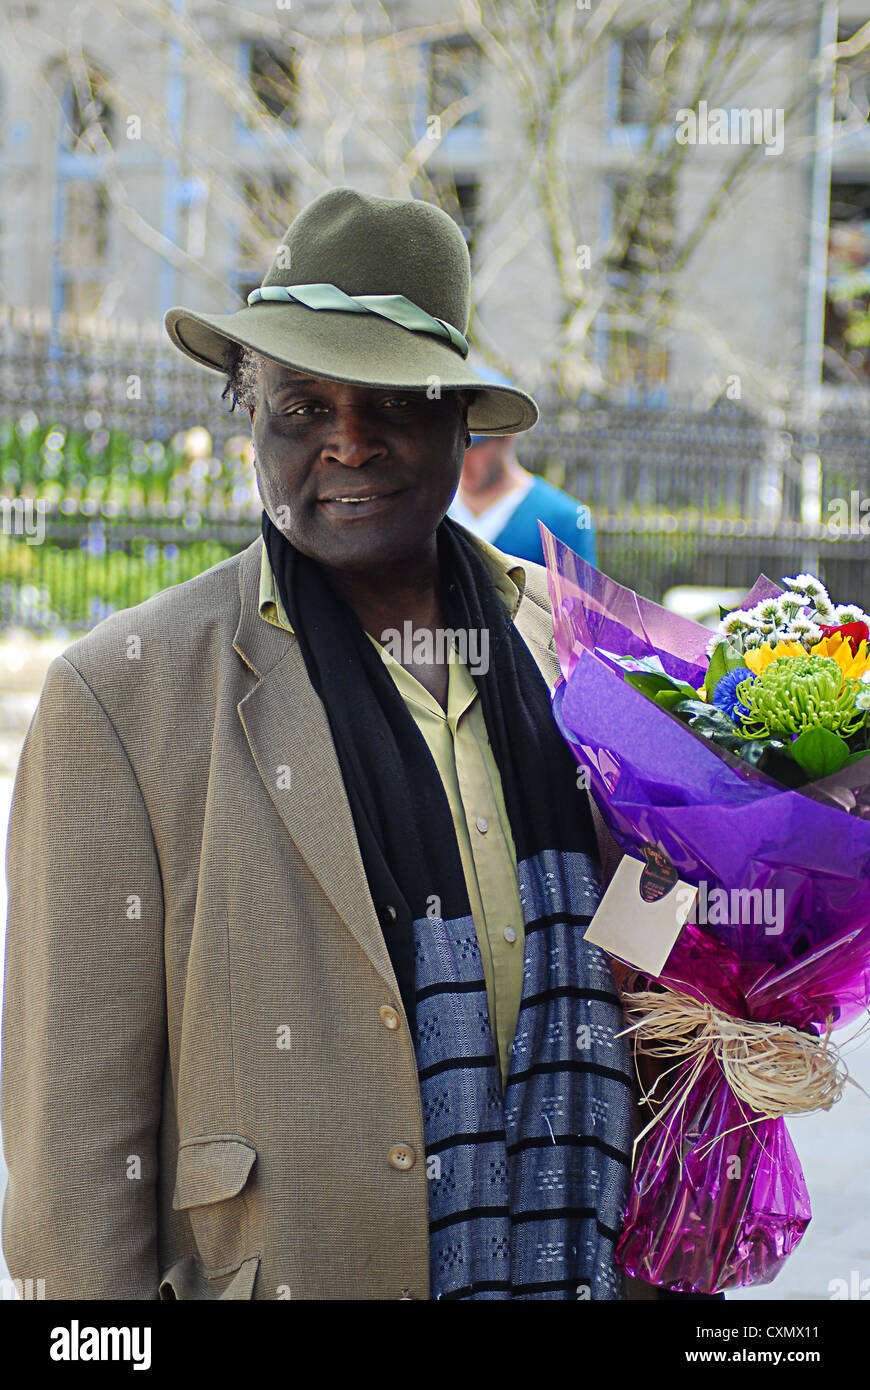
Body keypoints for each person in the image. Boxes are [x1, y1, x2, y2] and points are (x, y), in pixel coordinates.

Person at [1, 186, 638, 1301]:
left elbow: (656, 946)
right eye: (303, 407)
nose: (349, 440)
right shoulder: (124, 700)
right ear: (254, 422)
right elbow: (72, 1165)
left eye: (392, 400)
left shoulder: (579, 646)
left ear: (461, 423)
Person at [448, 365, 597, 568]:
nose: (462, 457)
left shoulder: (562, 520)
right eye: (451, 444)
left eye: (473, 445)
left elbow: (578, 599)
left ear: (508, 436)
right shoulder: (429, 510)